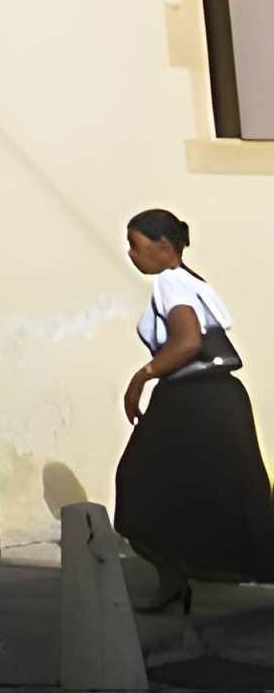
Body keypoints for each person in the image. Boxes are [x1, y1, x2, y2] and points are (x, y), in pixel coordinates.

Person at [115, 205, 274, 610]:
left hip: (192, 399)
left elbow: (186, 342)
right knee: (218, 492)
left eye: (135, 245)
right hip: (217, 399)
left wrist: (142, 375)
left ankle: (172, 578)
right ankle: (176, 579)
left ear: (164, 246)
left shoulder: (170, 282)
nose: (131, 254)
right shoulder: (192, 281)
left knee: (139, 483)